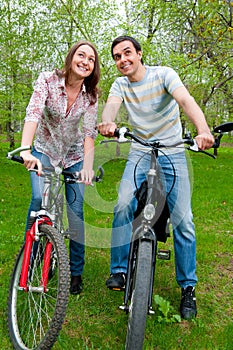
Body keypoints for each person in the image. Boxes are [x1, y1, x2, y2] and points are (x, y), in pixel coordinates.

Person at [98, 35, 214, 319]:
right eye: (116, 57)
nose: (122, 60)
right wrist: (108, 122)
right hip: (140, 150)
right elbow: (111, 106)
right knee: (124, 202)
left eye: (127, 53)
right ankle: (120, 271)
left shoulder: (164, 75)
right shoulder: (120, 84)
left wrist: (203, 130)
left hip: (173, 151)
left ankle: (188, 288)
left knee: (183, 219)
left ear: (139, 54)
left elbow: (185, 101)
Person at [20, 40, 100, 295]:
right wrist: (25, 149)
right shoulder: (48, 80)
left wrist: (87, 167)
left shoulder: (91, 96)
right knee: (38, 200)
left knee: (75, 214)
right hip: (44, 150)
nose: (85, 62)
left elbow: (89, 133)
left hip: (74, 155)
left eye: (91, 59)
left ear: (93, 67)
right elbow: (33, 113)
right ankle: (29, 261)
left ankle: (75, 272)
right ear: (71, 57)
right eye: (81, 55)